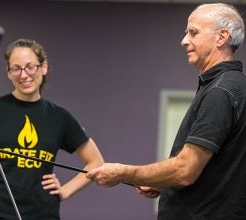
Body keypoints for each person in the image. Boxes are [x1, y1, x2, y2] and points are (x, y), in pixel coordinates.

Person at [86, 3, 246, 220]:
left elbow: (185, 170)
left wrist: (124, 173)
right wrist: (160, 181)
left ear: (222, 37)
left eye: (193, 32)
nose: (184, 41)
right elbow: (216, 170)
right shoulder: (232, 86)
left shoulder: (220, 92)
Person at [0, 38, 104, 219]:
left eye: (30, 66)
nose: (23, 75)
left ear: (43, 67)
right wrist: (10, 189)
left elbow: (96, 162)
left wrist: (65, 190)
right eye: (16, 68)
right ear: (8, 72)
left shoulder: (59, 117)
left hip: (44, 213)